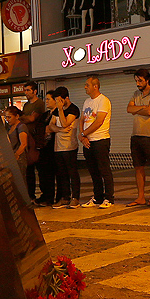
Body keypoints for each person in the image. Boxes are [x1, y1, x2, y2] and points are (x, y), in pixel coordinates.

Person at [126, 69, 150, 206]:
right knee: (138, 167)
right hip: (136, 135)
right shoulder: (136, 94)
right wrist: (142, 107)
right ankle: (140, 197)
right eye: (136, 80)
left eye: (140, 80)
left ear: (147, 80)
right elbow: (129, 109)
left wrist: (138, 108)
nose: (138, 83)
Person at [80, 75, 114, 208]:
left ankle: (109, 198)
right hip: (88, 141)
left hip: (101, 139)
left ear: (95, 86)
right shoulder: (87, 101)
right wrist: (83, 136)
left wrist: (84, 133)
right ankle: (98, 196)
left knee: (104, 170)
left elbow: (99, 121)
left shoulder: (103, 100)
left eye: (87, 85)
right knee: (93, 171)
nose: (85, 87)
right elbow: (82, 119)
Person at [46, 88, 80, 209]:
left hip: (70, 146)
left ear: (66, 98)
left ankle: (75, 197)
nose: (57, 103)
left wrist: (60, 109)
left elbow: (66, 123)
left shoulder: (73, 109)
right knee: (62, 174)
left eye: (59, 100)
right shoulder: (56, 112)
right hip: (58, 146)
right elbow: (51, 126)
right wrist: (60, 130)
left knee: (72, 173)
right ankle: (65, 197)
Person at [21, 81, 51, 204]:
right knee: (29, 170)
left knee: (41, 170)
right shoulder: (26, 106)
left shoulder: (39, 104)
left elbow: (32, 118)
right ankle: (31, 195)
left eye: (28, 90)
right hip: (28, 139)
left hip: (36, 139)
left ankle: (45, 195)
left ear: (35, 91)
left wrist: (22, 118)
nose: (26, 93)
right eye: (25, 90)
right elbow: (25, 119)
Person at [4, 106, 31, 175]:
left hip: (19, 158)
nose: (7, 119)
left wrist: (16, 155)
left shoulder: (21, 126)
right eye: (6, 117)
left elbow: (23, 144)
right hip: (12, 157)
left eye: (9, 117)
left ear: (17, 116)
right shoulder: (10, 127)